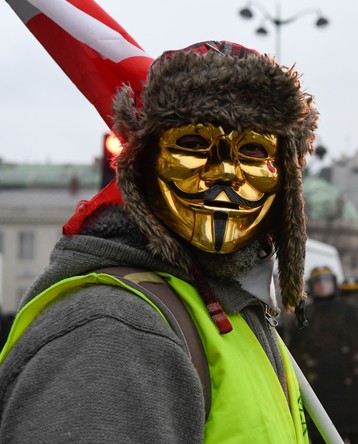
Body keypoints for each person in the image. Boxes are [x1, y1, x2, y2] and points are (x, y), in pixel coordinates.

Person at [0, 41, 318, 442]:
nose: (223, 174)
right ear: (143, 166)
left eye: (252, 151)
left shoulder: (236, 308)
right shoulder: (114, 331)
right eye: (193, 144)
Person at [288, 266, 358, 444]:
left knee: (356, 433)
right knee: (322, 435)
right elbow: (292, 349)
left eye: (326, 281)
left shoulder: (352, 311)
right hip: (320, 388)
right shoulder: (304, 316)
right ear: (312, 285)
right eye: (318, 282)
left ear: (334, 282)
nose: (323, 286)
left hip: (353, 390)